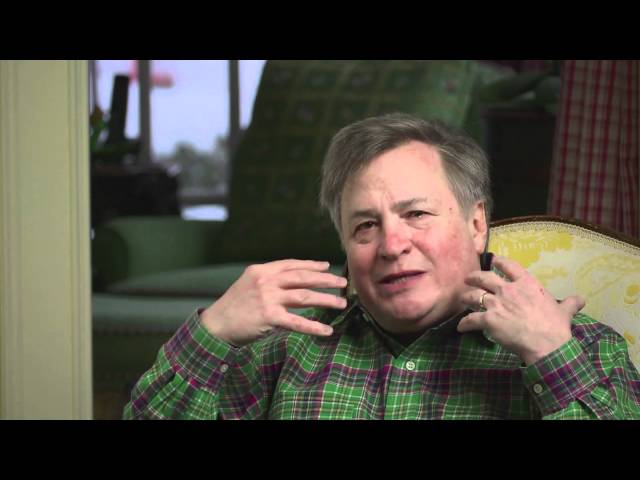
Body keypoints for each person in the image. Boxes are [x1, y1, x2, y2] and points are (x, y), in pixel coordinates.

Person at [124, 113, 640, 419]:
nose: (392, 245)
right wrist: (211, 333)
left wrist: (553, 358)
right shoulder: (282, 352)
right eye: (366, 226)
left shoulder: (584, 348)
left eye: (416, 215)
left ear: (476, 223)